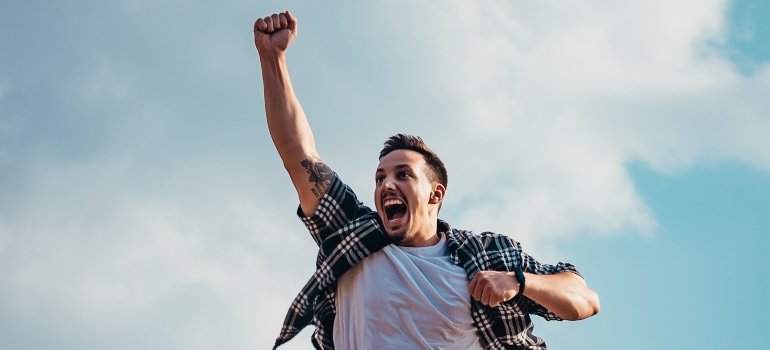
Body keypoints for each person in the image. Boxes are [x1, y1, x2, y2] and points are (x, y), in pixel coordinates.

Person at [254, 11, 600, 350]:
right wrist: (273, 59)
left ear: (435, 194)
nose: (386, 185)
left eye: (403, 175)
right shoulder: (353, 234)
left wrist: (518, 281)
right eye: (380, 178)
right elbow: (299, 154)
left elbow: (583, 299)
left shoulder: (485, 256)